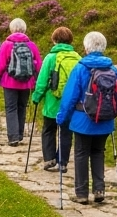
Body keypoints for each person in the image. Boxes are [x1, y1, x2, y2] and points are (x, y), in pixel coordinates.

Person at [57, 31, 117, 204]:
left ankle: (81, 193)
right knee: (98, 153)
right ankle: (99, 189)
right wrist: (112, 114)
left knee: (81, 153)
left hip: (82, 120)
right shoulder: (112, 68)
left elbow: (70, 96)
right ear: (103, 47)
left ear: (87, 48)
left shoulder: (80, 68)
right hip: (104, 120)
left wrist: (62, 117)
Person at [32, 27, 81, 172]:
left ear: (54, 40)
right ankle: (63, 162)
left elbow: (41, 81)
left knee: (48, 129)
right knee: (66, 132)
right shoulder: (77, 58)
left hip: (52, 102)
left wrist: (36, 97)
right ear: (70, 40)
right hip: (71, 104)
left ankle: (49, 159)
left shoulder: (50, 57)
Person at [0, 18, 42, 146]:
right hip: (27, 83)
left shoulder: (7, 45)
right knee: (22, 107)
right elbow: (38, 66)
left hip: (9, 82)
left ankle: (13, 137)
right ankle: (19, 134)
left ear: (11, 29)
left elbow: (0, 65)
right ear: (24, 30)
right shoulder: (32, 45)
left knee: (11, 108)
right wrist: (36, 81)